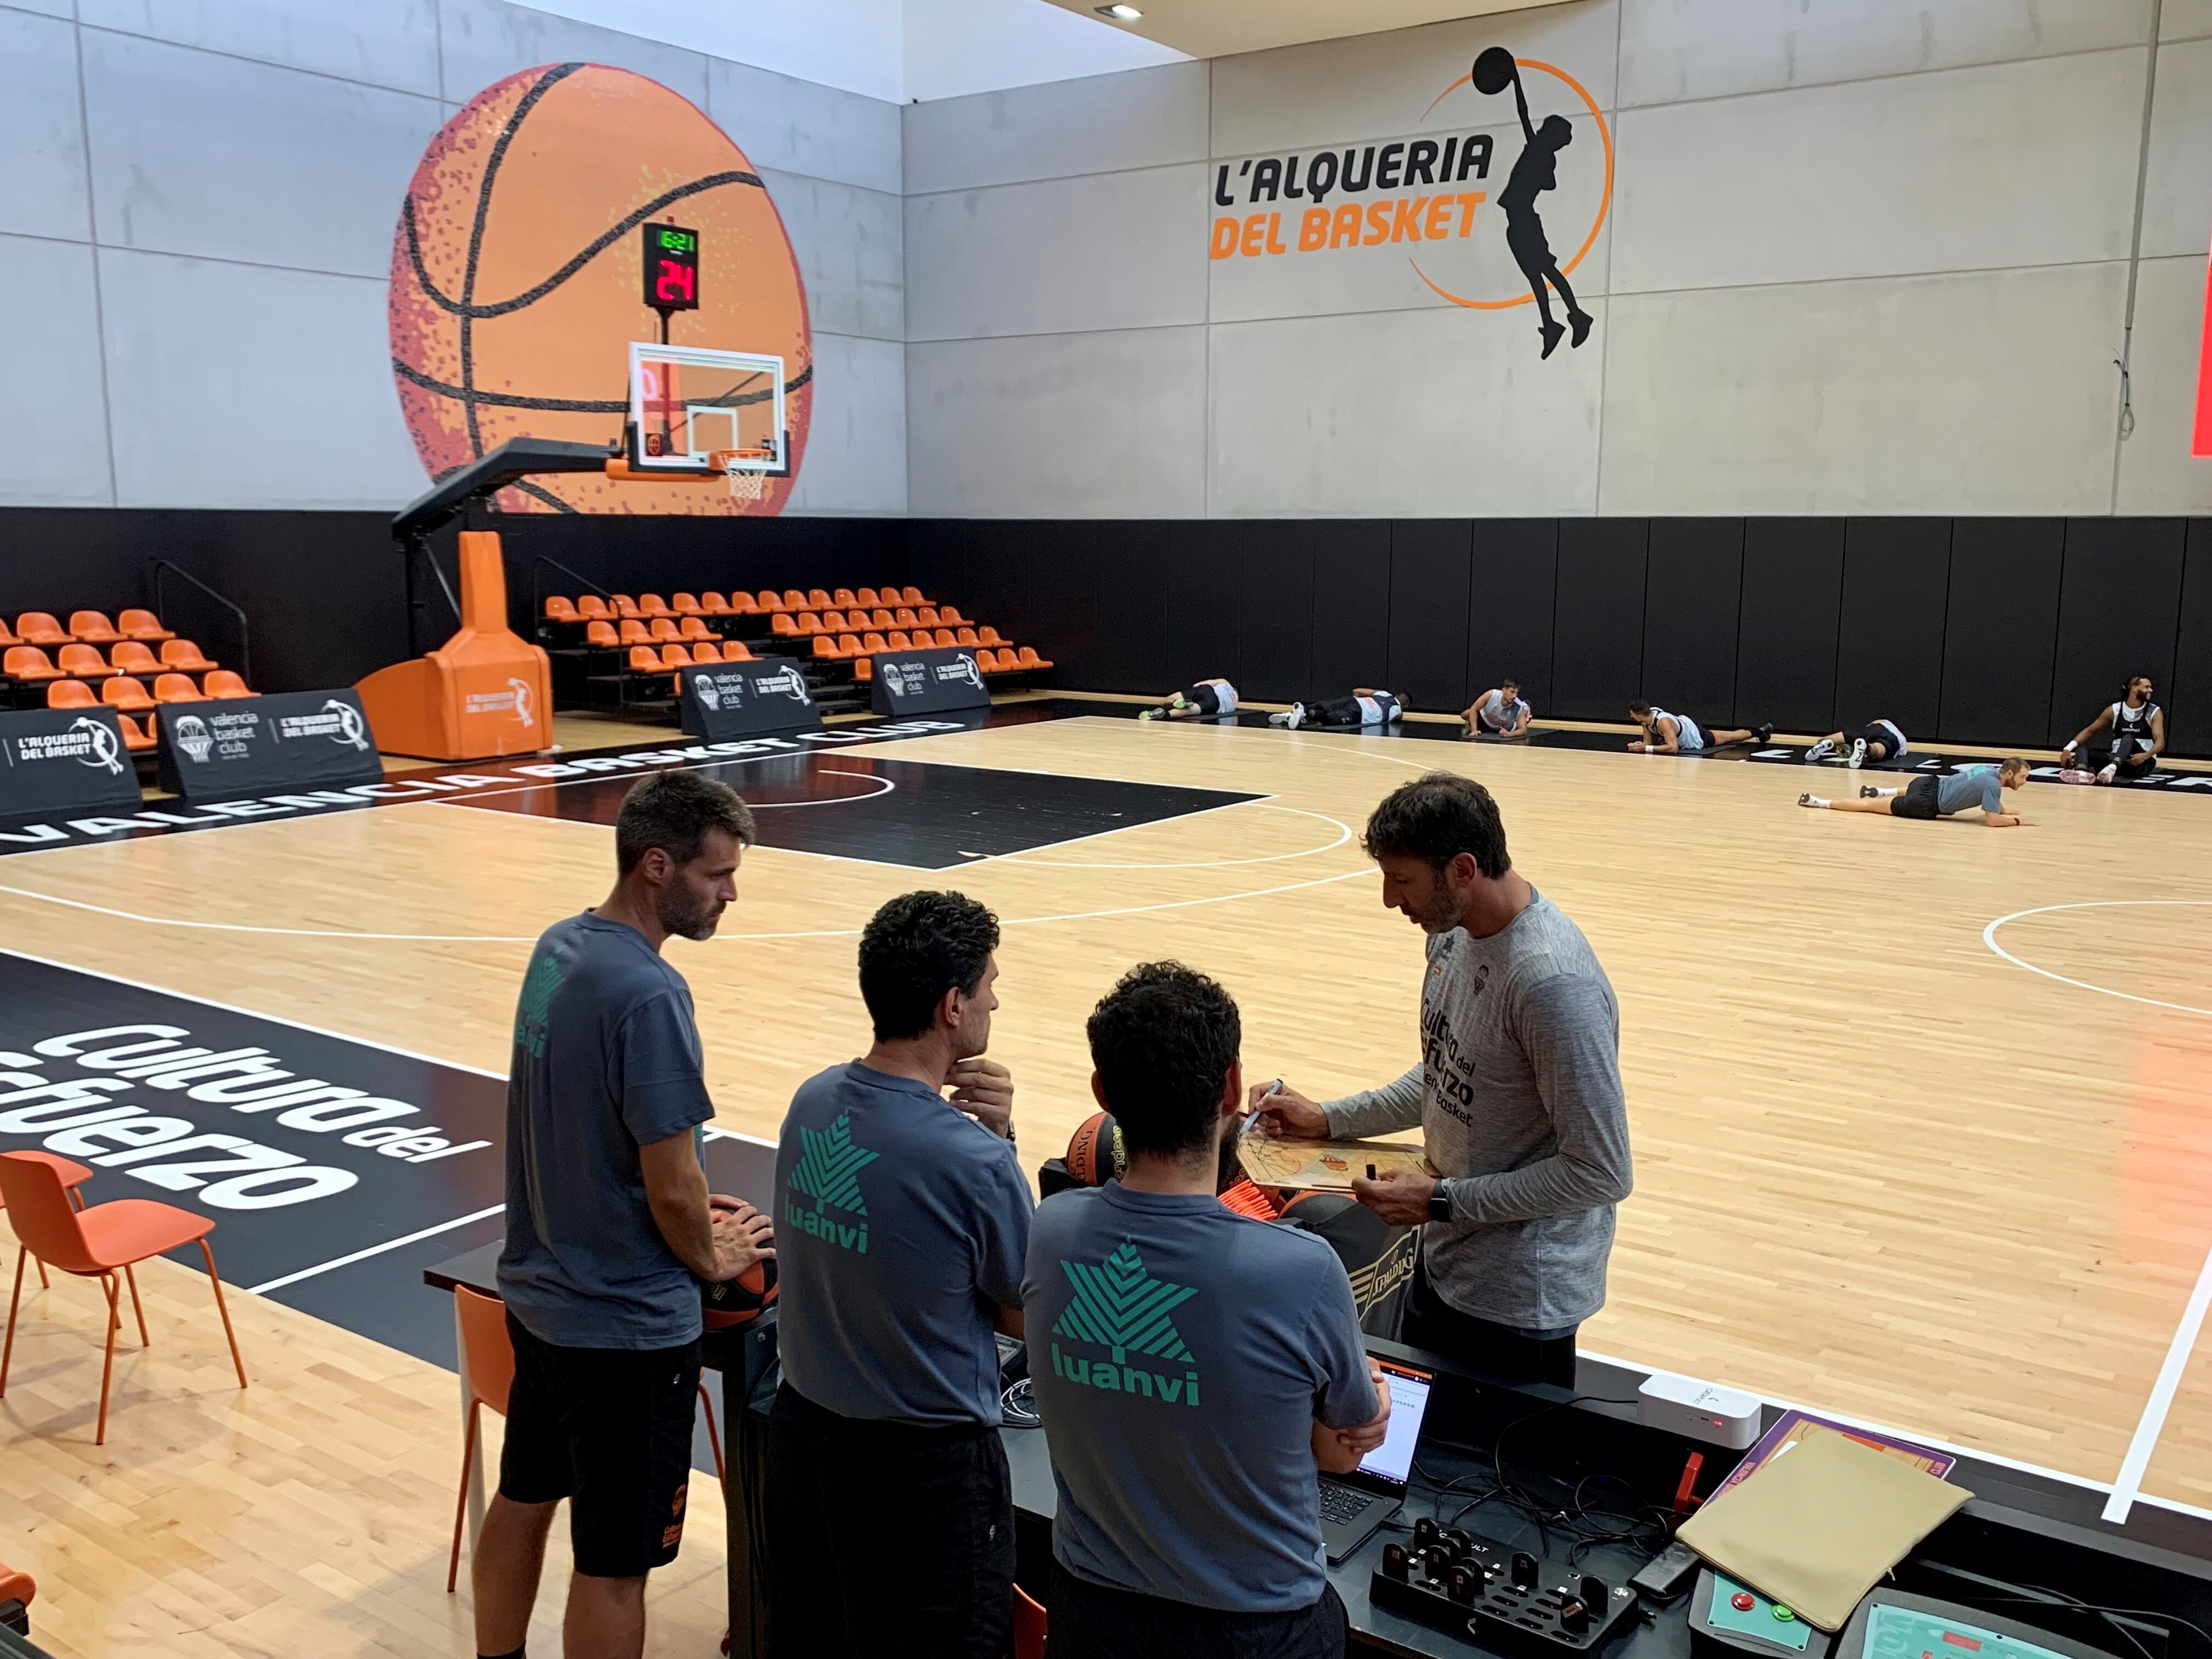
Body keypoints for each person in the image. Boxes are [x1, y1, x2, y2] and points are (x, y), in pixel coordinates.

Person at [481, 769, 775, 1659]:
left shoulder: (556, 948)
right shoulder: (650, 993)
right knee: (614, 1565)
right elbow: (675, 1183)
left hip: (539, 1302)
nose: (731, 892)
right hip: (623, 1330)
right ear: (657, 865)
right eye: (716, 874)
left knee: (523, 1496)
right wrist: (712, 1255)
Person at [1026, 962, 1391, 1659]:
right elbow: (1345, 1445)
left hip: (1092, 1614)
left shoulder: (1052, 1233)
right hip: (1256, 1629)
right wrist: (1369, 1399)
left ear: (1103, 1094)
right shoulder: (1301, 1271)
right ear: (1232, 1089)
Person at [1251, 774, 1631, 1387]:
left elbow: (1601, 1172)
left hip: (1519, 1302)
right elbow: (1449, 1071)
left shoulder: (1553, 986)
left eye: (1402, 881)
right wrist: (1330, 1118)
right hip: (1445, 1250)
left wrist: (1441, 1200)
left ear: (1461, 870)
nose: (1388, 900)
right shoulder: (1452, 936)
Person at [764, 890, 1031, 1659]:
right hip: (922, 1481)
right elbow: (1023, 1314)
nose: (995, 999)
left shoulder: (810, 1103)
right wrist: (1001, 1142)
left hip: (803, 1443)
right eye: (987, 986)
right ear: (953, 1007)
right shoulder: (970, 1158)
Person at [1494, 70, 1592, 358]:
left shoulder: (1541, 153)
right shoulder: (1541, 153)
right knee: (1536, 276)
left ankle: (1575, 316)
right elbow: (1524, 114)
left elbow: (1523, 114)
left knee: (1546, 272)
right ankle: (1553, 323)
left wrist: (1514, 79)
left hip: (1524, 219)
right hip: (1518, 221)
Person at [1798, 758, 2029, 826]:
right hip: (1926, 804)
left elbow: (1991, 798)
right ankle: (1818, 802)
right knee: (1868, 809)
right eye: (2022, 777)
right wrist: (2018, 822)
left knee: (1891, 796)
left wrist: (2004, 809)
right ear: (2008, 775)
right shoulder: (1992, 786)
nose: (2024, 782)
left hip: (1927, 783)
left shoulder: (1989, 770)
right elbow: (1991, 821)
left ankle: (1877, 790)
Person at [2059, 676, 2165, 783]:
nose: (2150, 690)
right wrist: (2067, 749)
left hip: (2142, 761)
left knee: (2129, 737)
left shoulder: (2154, 711)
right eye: (2146, 687)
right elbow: (2090, 730)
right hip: (2118, 758)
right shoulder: (2115, 710)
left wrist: (2145, 756)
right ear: (2134, 688)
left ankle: (2112, 768)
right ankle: (2082, 774)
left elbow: (2160, 743)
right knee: (2082, 750)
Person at [1628, 702, 1770, 754]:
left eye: (1633, 715)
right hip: (1685, 724)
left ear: (1640, 714)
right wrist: (1639, 746)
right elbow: (1648, 743)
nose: (1632, 718)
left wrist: (1646, 749)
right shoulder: (1646, 721)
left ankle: (1760, 732)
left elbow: (1673, 748)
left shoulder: (1663, 722)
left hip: (1696, 736)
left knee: (1729, 737)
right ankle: (1761, 731)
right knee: (1728, 736)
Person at [1269, 688, 1403, 731]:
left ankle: (1293, 714)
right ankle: (1307, 713)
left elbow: (1356, 691)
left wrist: (1362, 698)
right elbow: (1397, 718)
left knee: (1323, 705)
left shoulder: (1384, 694)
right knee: (1330, 719)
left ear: (1397, 695)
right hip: (1358, 714)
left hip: (1354, 701)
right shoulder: (1398, 711)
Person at [1805, 719, 1908, 769]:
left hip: (1876, 728)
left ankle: (1825, 741)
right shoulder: (1900, 737)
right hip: (1895, 740)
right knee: (1880, 748)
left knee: (1849, 736)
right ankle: (1867, 748)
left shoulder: (1880, 723)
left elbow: (1875, 724)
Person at [1141, 677, 1238, 720]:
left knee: (1166, 700)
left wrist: (1195, 691)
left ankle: (1175, 701)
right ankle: (1166, 714)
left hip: (1207, 690)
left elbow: (1198, 685)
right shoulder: (1234, 705)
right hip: (1214, 703)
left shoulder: (1225, 683)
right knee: (1188, 711)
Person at [1464, 679, 1533, 740]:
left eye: (1517, 693)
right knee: (1465, 714)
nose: (1514, 696)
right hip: (1486, 721)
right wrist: (1474, 730)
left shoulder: (1519, 706)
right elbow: (1474, 708)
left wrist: (1510, 734)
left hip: (1502, 728)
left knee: (1523, 717)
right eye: (1512, 692)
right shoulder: (1492, 694)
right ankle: (1475, 724)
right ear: (1503, 690)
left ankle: (1527, 707)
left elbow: (1524, 730)